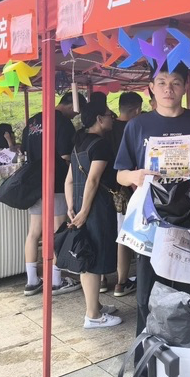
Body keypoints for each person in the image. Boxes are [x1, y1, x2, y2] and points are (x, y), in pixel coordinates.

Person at [114, 62, 190, 377]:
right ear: (151, 89)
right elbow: (120, 172)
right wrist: (135, 176)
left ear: (184, 87)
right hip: (152, 228)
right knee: (147, 302)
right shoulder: (138, 125)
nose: (168, 88)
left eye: (175, 82)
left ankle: (188, 376)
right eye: (162, 82)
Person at [64, 93, 122, 328]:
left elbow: (69, 180)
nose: (112, 118)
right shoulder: (101, 145)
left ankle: (95, 306)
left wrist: (71, 207)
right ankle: (93, 316)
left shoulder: (79, 144)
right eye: (109, 115)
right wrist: (86, 211)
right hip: (95, 208)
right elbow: (94, 180)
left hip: (79, 206)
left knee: (87, 254)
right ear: (99, 118)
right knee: (93, 258)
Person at [20, 91, 86, 296]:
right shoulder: (63, 124)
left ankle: (32, 281)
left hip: (34, 183)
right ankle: (56, 280)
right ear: (72, 105)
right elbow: (65, 156)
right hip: (56, 182)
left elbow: (24, 151)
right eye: (76, 112)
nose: (75, 116)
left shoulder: (33, 121)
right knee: (58, 231)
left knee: (34, 232)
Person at [109, 91, 144, 297]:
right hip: (129, 192)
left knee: (114, 235)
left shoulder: (108, 128)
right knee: (130, 235)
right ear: (137, 110)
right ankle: (122, 282)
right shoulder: (136, 128)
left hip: (106, 189)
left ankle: (105, 280)